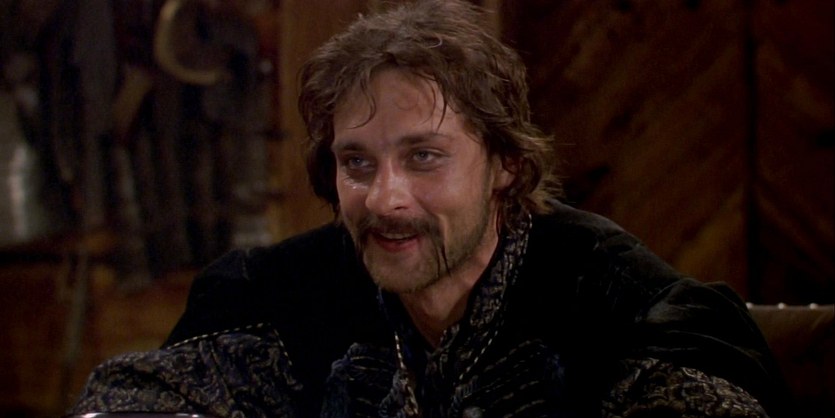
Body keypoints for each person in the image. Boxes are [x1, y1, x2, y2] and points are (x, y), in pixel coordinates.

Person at [69, 1, 790, 417]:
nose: (386, 198)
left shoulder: (607, 295)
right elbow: (133, 398)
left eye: (423, 156)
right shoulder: (287, 291)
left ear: (505, 165)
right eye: (357, 163)